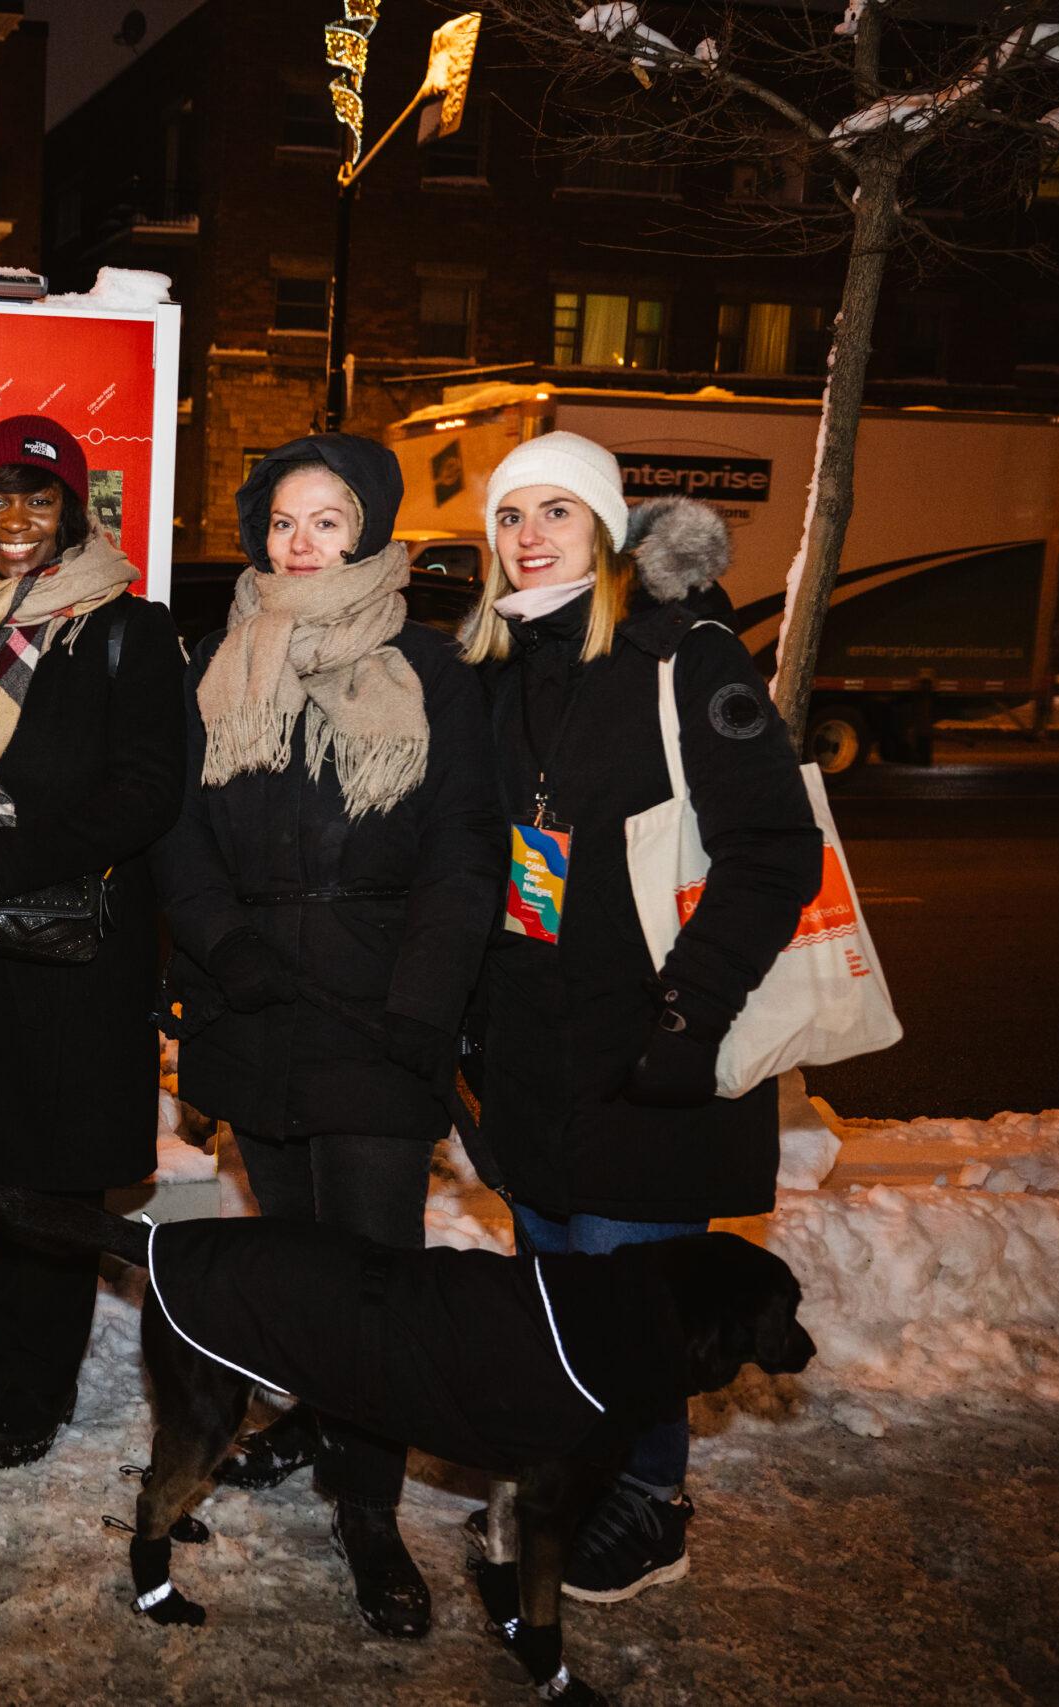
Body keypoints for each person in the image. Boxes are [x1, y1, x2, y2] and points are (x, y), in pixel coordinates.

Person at [462, 431, 819, 1602]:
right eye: (511, 516)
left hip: (647, 1051)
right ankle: (572, 1476)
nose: (529, 536)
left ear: (608, 530)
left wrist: (688, 1021)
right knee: (560, 1303)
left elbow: (773, 850)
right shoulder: (504, 664)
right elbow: (515, 866)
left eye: (557, 512)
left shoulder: (686, 656)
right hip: (534, 1057)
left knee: (637, 1307)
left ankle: (648, 1501)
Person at [154, 433, 499, 1638]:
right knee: (296, 1260)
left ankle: (370, 1511)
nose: (302, 542)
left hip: (376, 1009)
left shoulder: (430, 668)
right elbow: (175, 831)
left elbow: (465, 853)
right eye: (283, 521)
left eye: (328, 520)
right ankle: (318, 1420)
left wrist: (426, 1001)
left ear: (369, 532)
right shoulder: (217, 660)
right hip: (257, 1005)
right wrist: (221, 947)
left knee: (375, 1284)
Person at [0, 415, 187, 1469]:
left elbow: (147, 791)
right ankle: (18, 1352)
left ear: (73, 511)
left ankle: (41, 1381)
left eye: (39, 499)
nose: (16, 521)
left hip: (69, 951)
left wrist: (7, 860)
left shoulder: (124, 628)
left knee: (54, 1169)